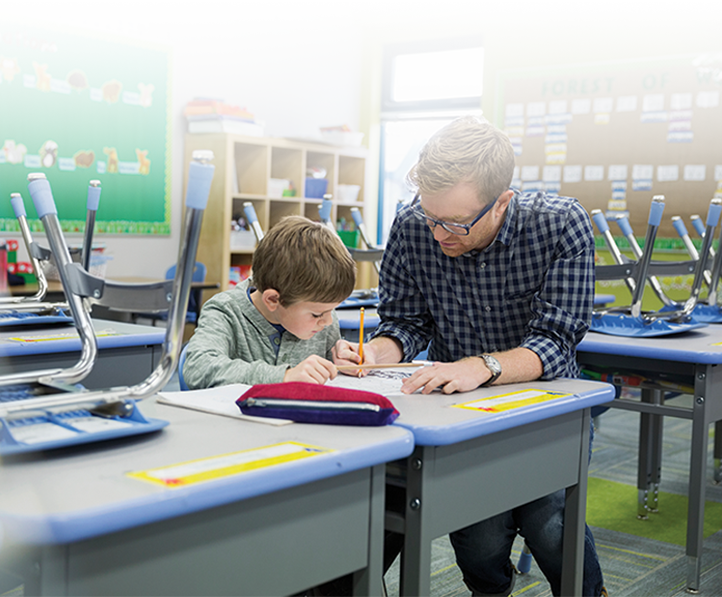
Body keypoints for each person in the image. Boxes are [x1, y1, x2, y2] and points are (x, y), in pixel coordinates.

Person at [335, 115, 608, 597]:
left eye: (456, 223)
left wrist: (481, 367)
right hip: (458, 407)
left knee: (549, 525)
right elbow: (406, 323)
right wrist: (373, 351)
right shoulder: (412, 225)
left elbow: (556, 340)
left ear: (502, 202)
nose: (439, 235)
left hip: (547, 404)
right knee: (478, 539)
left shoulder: (562, 224)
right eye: (430, 217)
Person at [183, 215, 356, 389]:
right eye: (317, 314)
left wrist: (341, 360)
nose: (329, 321)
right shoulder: (225, 311)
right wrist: (284, 376)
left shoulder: (321, 315)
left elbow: (328, 377)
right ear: (273, 299)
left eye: (332, 310)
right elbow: (198, 368)